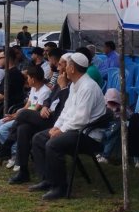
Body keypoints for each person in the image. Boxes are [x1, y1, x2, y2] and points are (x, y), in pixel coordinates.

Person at [0, 53, 72, 184]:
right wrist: (45, 106)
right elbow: (49, 99)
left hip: (60, 122)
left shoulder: (70, 85)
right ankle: (23, 172)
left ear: (70, 67)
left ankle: (6, 147)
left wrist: (64, 88)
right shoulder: (61, 81)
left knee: (24, 114)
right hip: (48, 115)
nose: (58, 68)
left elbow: (67, 107)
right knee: (23, 129)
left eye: (60, 65)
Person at [30, 52, 106, 200]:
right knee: (38, 138)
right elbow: (67, 110)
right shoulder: (75, 85)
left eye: (67, 65)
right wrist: (57, 126)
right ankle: (48, 179)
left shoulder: (88, 87)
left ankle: (60, 187)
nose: (64, 69)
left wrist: (61, 130)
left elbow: (81, 119)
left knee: (53, 144)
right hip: (74, 129)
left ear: (72, 69)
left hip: (87, 135)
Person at [96, 88, 121, 163]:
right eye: (110, 101)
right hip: (105, 123)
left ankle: (105, 155)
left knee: (110, 134)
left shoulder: (120, 106)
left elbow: (127, 115)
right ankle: (101, 152)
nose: (112, 103)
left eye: (114, 102)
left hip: (116, 124)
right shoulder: (103, 104)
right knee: (106, 135)